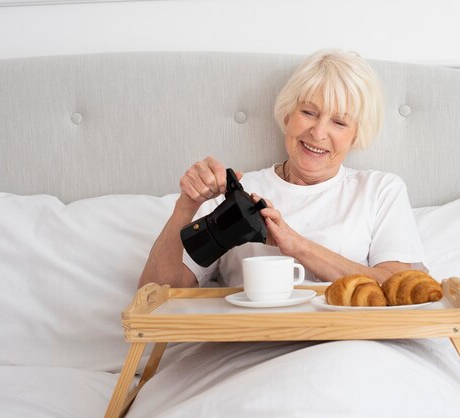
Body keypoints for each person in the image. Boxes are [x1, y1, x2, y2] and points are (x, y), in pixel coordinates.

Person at [138, 49, 426, 290]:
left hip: (344, 346)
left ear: (355, 135)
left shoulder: (379, 190)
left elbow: (397, 288)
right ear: (288, 115)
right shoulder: (233, 194)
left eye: (339, 122)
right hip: (249, 348)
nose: (319, 131)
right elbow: (155, 296)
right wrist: (185, 207)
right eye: (309, 112)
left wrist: (297, 245)